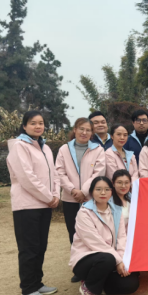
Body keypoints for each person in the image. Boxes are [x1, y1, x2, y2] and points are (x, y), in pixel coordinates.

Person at [6, 110, 60, 295]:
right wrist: (48, 196)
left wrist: (56, 194)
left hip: (44, 204)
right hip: (26, 206)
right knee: (29, 248)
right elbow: (27, 178)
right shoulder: (19, 146)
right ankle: (28, 289)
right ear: (24, 126)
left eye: (41, 123)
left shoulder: (45, 147)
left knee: (40, 246)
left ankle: (37, 282)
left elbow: (54, 173)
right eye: (33, 123)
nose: (38, 126)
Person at [69, 176, 139, 295]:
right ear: (91, 192)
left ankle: (99, 285)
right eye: (98, 189)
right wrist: (118, 260)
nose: (103, 193)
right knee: (107, 259)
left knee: (131, 284)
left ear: (111, 191)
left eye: (107, 189)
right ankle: (89, 288)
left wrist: (123, 261)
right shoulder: (84, 213)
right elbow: (95, 242)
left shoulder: (116, 210)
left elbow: (121, 237)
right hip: (86, 260)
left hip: (110, 258)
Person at [55, 118, 106, 283]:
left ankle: (94, 266)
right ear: (75, 130)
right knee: (74, 233)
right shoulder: (64, 149)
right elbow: (59, 172)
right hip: (70, 199)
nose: (84, 133)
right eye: (81, 129)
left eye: (88, 130)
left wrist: (84, 191)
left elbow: (98, 172)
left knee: (94, 232)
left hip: (90, 198)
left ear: (92, 133)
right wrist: (72, 190)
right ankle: (79, 268)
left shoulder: (98, 149)